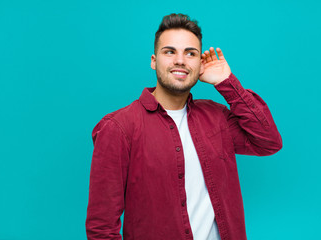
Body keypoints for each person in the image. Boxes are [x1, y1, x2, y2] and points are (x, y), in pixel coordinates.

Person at [85, 13, 282, 240]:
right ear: (153, 60)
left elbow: (268, 142)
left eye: (190, 53)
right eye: (170, 52)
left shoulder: (216, 117)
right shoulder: (119, 128)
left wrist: (227, 82)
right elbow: (102, 227)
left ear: (200, 64)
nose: (180, 60)